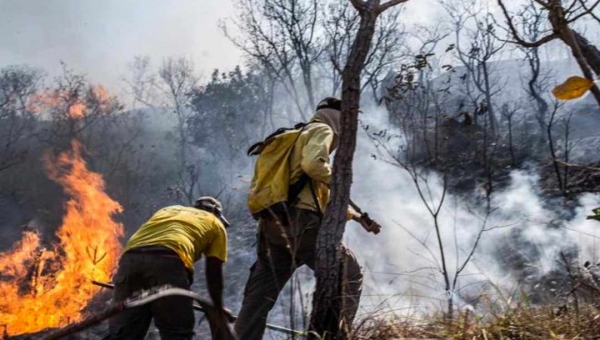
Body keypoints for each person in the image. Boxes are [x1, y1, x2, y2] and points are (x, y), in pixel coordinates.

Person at [235, 97, 381, 339]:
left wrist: (356, 217)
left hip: (272, 226)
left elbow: (321, 197)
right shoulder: (322, 130)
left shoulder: (294, 136)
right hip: (302, 225)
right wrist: (341, 179)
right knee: (349, 272)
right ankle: (334, 335)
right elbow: (314, 165)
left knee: (259, 297)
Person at [105, 197, 232, 340]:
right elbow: (213, 272)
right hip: (168, 261)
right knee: (176, 333)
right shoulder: (216, 223)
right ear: (215, 213)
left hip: (130, 259)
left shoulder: (168, 210)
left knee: (122, 333)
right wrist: (217, 309)